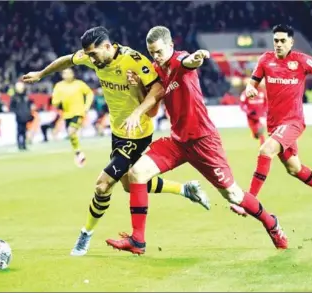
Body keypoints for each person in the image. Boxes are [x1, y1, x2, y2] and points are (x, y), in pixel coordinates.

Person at [22, 26, 210, 257]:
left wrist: (137, 113)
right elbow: (67, 60)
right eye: (88, 55)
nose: (90, 59)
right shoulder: (96, 60)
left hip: (137, 133)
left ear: (108, 47)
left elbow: (159, 89)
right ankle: (185, 189)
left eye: (93, 54)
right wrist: (41, 74)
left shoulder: (134, 60)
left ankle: (85, 235)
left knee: (102, 185)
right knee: (130, 184)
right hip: (118, 133)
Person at [105, 26, 287, 255]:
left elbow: (189, 62)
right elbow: (152, 111)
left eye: (159, 52)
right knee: (136, 174)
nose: (156, 57)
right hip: (178, 142)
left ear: (170, 46)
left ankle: (272, 224)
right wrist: (137, 87)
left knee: (234, 195)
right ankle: (137, 241)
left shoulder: (180, 60)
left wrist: (198, 57)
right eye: (152, 53)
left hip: (203, 142)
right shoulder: (154, 70)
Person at [230, 24, 312, 217]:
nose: (278, 44)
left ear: (291, 42)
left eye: (282, 41)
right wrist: (250, 89)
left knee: (265, 150)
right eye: (275, 41)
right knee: (294, 169)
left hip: (293, 122)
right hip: (274, 124)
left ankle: (248, 203)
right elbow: (251, 84)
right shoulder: (265, 60)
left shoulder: (302, 61)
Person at [52, 68, 94, 167]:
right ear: (62, 75)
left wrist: (86, 106)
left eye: (69, 72)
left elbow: (90, 93)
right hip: (66, 114)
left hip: (78, 112)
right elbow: (55, 101)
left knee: (71, 131)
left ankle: (78, 152)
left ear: (73, 74)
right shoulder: (59, 86)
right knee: (71, 134)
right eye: (65, 73)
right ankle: (77, 152)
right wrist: (57, 102)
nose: (67, 75)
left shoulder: (79, 84)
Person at [239, 79, 267, 146]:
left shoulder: (263, 92)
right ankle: (255, 134)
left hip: (261, 116)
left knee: (260, 131)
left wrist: (264, 111)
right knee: (256, 134)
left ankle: (263, 146)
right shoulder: (245, 93)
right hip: (251, 116)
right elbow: (242, 105)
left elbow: (267, 103)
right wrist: (249, 112)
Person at [10, 81, 33, 151]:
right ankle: (19, 145)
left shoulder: (26, 96)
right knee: (19, 131)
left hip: (26, 117)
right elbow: (12, 107)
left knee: (24, 131)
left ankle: (24, 144)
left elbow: (29, 106)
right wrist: (18, 113)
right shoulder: (14, 97)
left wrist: (29, 114)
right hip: (19, 117)